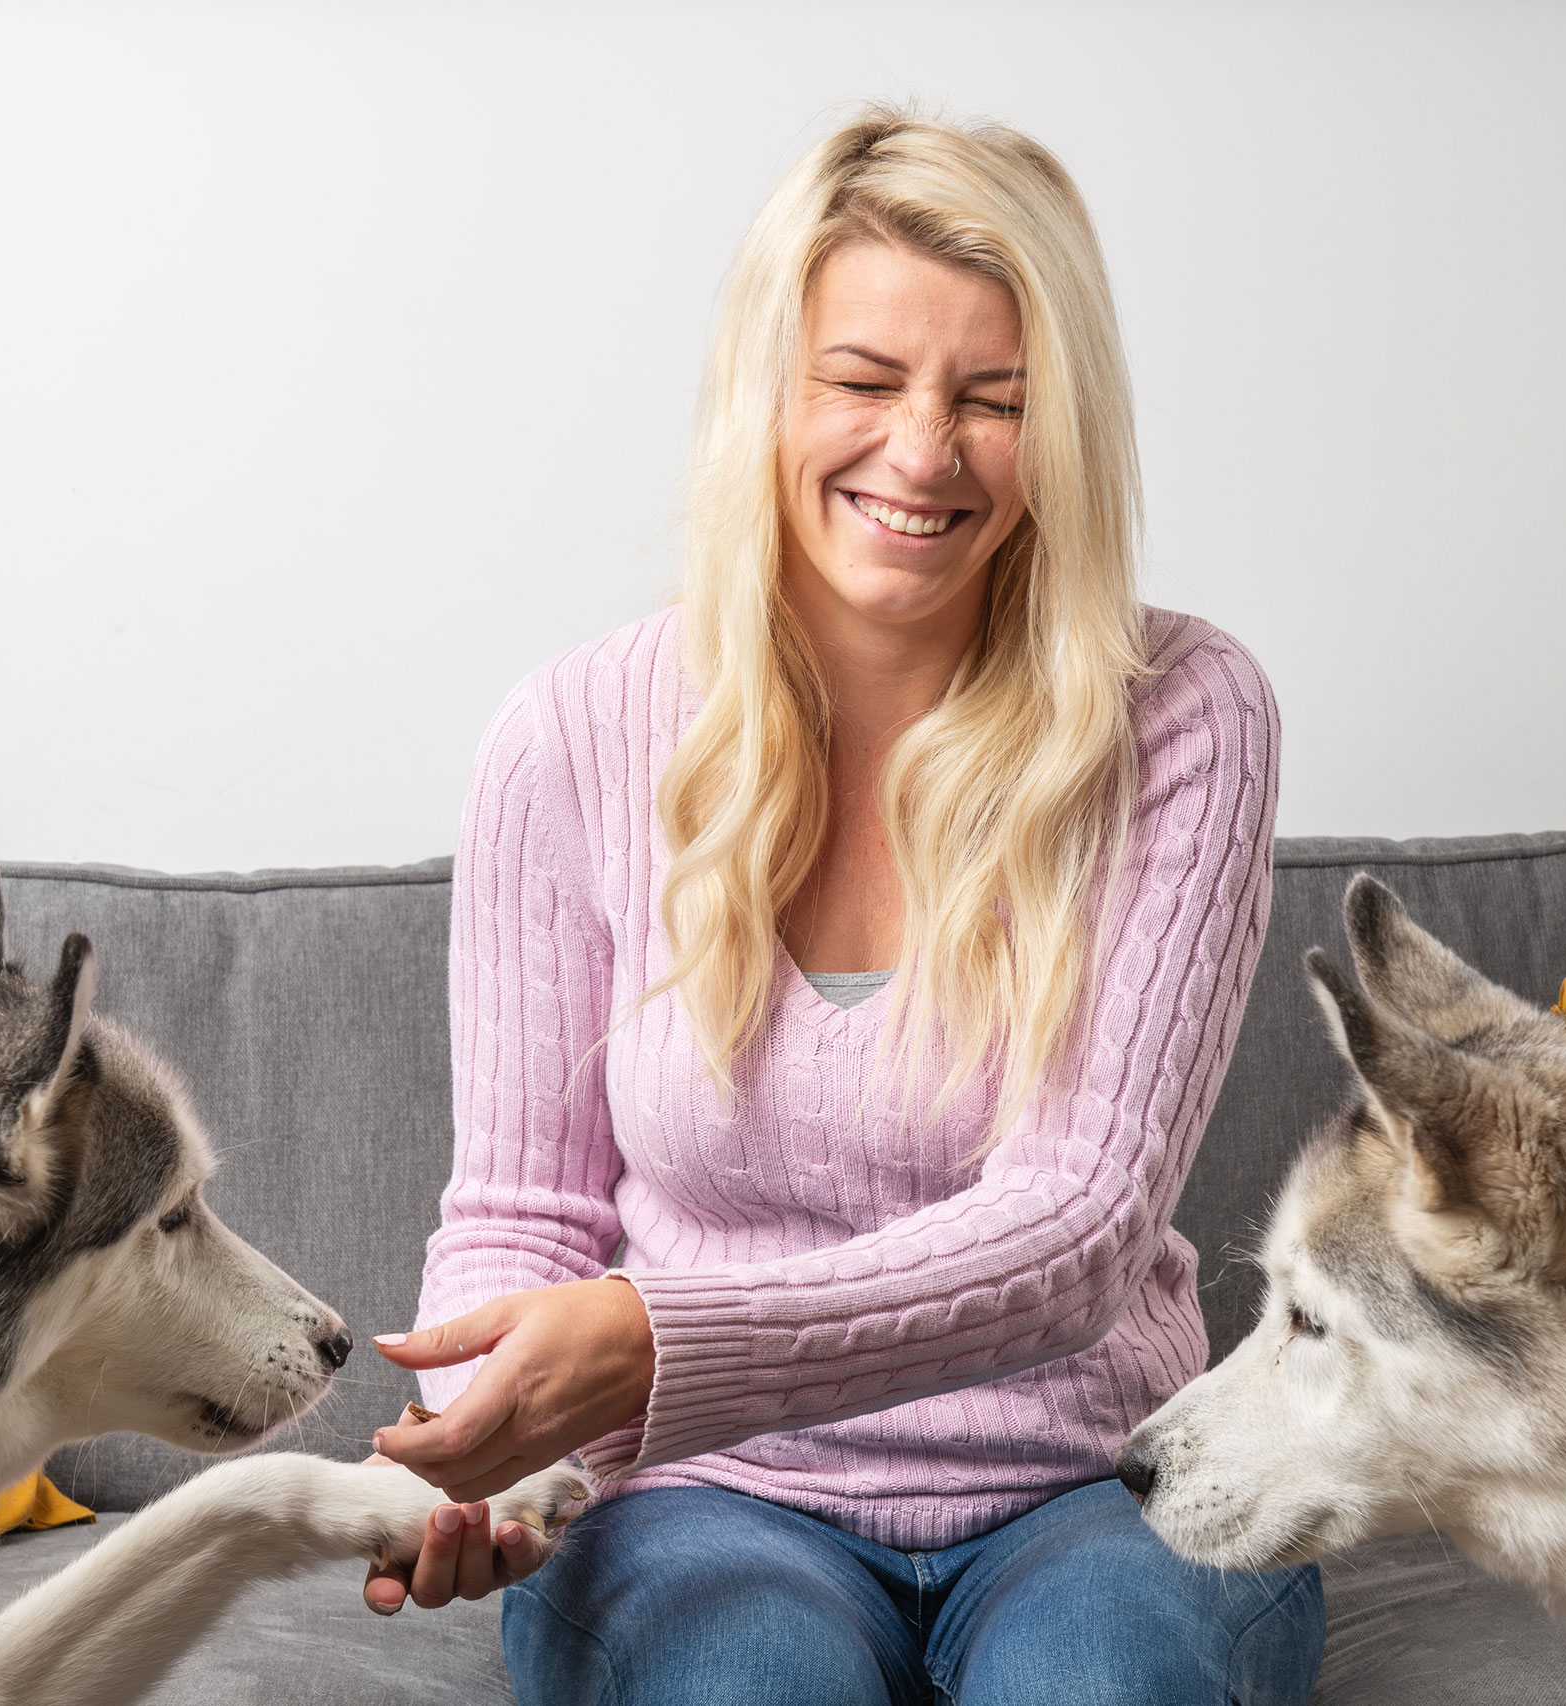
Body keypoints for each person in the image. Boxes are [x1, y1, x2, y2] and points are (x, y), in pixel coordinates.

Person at [357, 107, 1325, 1705]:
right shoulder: (570, 736)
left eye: (993, 400)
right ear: (769, 394)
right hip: (701, 1498)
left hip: (1098, 1486)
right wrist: (484, 1455)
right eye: (865, 382)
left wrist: (657, 1340)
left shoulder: (1189, 717)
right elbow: (521, 1213)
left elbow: (1080, 1228)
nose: (924, 451)